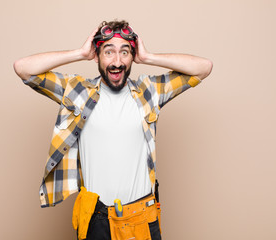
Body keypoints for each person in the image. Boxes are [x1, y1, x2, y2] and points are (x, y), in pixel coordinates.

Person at [14, 20, 213, 240]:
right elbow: (23, 69)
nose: (117, 61)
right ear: (97, 56)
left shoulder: (150, 92)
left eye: (125, 52)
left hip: (141, 217)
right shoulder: (77, 92)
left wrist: (149, 57)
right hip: (95, 218)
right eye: (108, 52)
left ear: (133, 57)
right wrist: (79, 53)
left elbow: (204, 68)